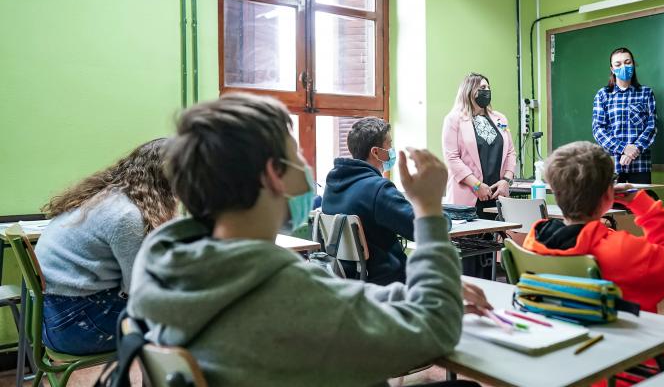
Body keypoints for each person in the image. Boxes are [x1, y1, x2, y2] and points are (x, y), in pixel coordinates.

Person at [127, 93, 489, 386]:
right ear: (274, 174)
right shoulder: (285, 293)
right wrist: (427, 209)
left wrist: (415, 293)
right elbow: (437, 328)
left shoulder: (166, 265)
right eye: (296, 152)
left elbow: (337, 302)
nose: (305, 163)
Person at [522, 141, 664, 372]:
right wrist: (640, 202)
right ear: (609, 194)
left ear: (556, 194)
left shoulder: (533, 243)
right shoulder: (623, 251)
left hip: (565, 365)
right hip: (631, 367)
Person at [35, 138, 177, 355]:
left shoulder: (107, 197)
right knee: (189, 319)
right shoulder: (127, 215)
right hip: (74, 324)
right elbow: (137, 290)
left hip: (52, 313)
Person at [322, 117, 425, 285]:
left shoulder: (331, 186)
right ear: (375, 152)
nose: (392, 150)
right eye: (389, 144)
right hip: (388, 282)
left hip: (348, 280)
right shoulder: (378, 189)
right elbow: (421, 229)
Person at [442, 72, 517, 218]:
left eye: (488, 87)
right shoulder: (454, 119)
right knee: (469, 240)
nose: (487, 91)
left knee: (497, 239)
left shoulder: (500, 118)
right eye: (482, 87)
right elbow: (452, 158)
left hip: (497, 195)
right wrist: (477, 185)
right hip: (469, 196)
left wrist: (506, 181)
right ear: (469, 90)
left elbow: (510, 152)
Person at [592, 47, 657, 184]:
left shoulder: (646, 93)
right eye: (618, 64)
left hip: (640, 166)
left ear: (633, 64)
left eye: (627, 62)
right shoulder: (603, 95)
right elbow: (598, 130)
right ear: (612, 68)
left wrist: (634, 150)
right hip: (612, 166)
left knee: (640, 204)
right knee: (612, 205)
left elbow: (652, 126)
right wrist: (623, 148)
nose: (624, 66)